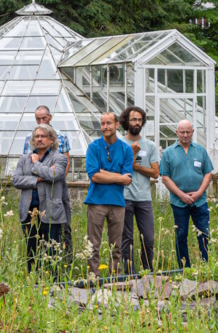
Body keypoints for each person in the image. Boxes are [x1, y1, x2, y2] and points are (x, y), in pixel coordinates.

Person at [11, 124, 69, 273]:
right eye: (36, 136)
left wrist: (36, 163)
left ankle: (53, 285)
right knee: (31, 252)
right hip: (29, 213)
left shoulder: (60, 158)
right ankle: (33, 285)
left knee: (52, 253)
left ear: (51, 140)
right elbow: (16, 180)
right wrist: (37, 180)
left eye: (43, 136)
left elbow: (55, 176)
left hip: (50, 213)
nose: (39, 139)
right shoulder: (24, 159)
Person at [159, 119, 214, 268]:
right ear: (177, 132)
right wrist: (181, 195)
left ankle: (206, 266)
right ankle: (184, 268)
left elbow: (208, 174)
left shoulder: (200, 150)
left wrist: (199, 193)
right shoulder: (169, 152)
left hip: (200, 201)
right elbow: (165, 177)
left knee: (204, 234)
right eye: (182, 132)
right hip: (179, 202)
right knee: (181, 236)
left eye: (187, 132)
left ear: (192, 132)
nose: (185, 135)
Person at [84, 111, 133, 277]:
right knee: (93, 244)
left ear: (117, 125)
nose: (105, 127)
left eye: (109, 123)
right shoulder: (94, 147)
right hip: (96, 201)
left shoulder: (126, 149)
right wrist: (118, 177)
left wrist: (105, 173)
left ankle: (116, 277)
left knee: (116, 245)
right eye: (103, 124)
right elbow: (94, 176)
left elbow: (127, 179)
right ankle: (93, 277)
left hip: (117, 203)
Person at [24, 105, 73, 252]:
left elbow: (65, 163)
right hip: (36, 193)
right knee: (37, 233)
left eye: (44, 118)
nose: (41, 121)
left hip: (57, 190)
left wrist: (54, 180)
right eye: (37, 118)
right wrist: (45, 174)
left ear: (50, 117)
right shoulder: (29, 138)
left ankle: (66, 262)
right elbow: (28, 164)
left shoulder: (61, 136)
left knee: (63, 229)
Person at [118, 106, 159, 273]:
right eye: (133, 119)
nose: (136, 123)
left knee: (148, 238)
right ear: (126, 121)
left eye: (139, 120)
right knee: (126, 239)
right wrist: (131, 155)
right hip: (124, 196)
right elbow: (117, 169)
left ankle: (147, 271)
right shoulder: (119, 143)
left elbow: (155, 173)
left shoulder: (150, 146)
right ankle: (129, 273)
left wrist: (135, 166)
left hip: (144, 198)